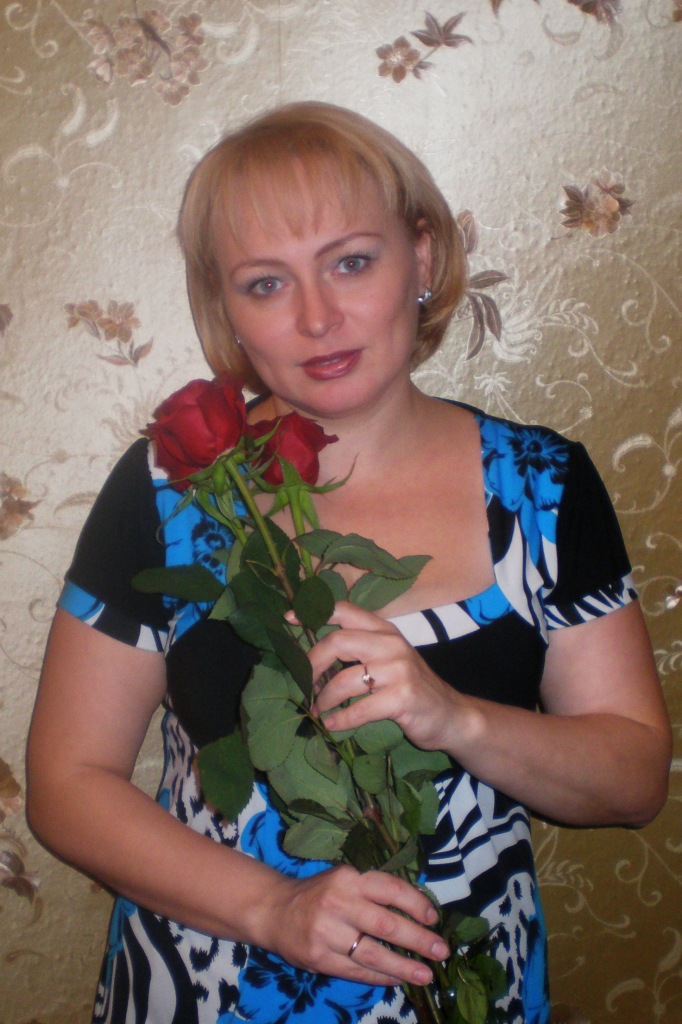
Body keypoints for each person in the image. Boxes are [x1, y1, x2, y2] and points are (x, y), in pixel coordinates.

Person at [26, 102, 672, 1024]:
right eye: (265, 283)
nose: (317, 317)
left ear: (424, 257)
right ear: (227, 310)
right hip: (207, 988)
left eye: (352, 262)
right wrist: (274, 909)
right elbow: (67, 785)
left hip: (463, 994)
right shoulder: (170, 490)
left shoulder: (541, 486)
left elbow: (634, 778)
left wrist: (455, 717)